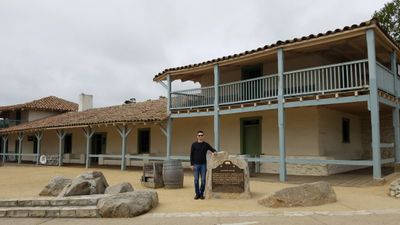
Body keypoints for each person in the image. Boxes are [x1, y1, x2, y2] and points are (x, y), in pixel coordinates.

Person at [190, 130, 216, 200]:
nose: (200, 136)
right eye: (199, 135)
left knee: (203, 180)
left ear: (203, 136)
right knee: (196, 180)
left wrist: (214, 152)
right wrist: (191, 164)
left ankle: (201, 194)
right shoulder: (194, 144)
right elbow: (191, 155)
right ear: (197, 136)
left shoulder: (206, 144)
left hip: (203, 165)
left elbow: (213, 149)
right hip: (196, 165)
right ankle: (197, 194)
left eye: (201, 135)